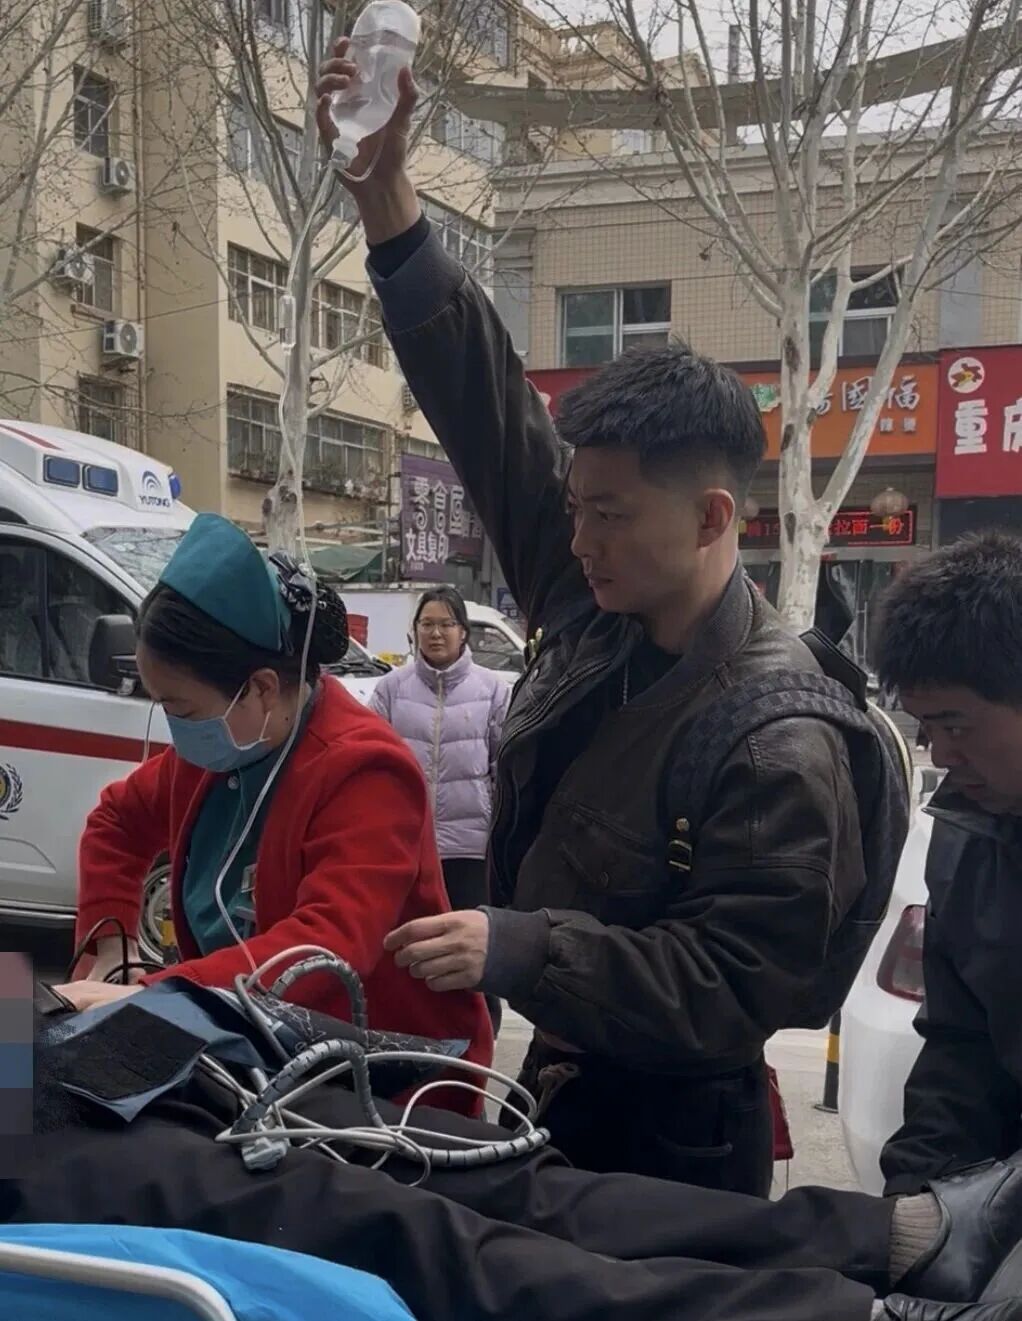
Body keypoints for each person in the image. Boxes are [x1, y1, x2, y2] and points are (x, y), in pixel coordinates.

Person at [313, 43, 909, 1194]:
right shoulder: (600, 608)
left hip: (678, 1146)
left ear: (711, 517)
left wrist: (521, 943)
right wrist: (385, 199)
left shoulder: (779, 737)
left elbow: (733, 983)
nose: (575, 536)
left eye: (609, 514)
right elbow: (486, 409)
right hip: (561, 1085)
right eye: (574, 507)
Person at [10, 992, 1022, 1321]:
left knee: (482, 1164)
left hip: (68, 1055)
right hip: (30, 1135)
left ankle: (894, 1238)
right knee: (406, 1232)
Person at [58, 513, 492, 1114]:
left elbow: (325, 947)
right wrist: (109, 950)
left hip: (379, 1083)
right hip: (254, 1058)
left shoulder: (365, 770)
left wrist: (160, 994)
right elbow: (116, 823)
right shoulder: (217, 750)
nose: (175, 730)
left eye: (180, 708)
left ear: (262, 688)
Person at [873, 532, 1022, 1192]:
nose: (941, 756)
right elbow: (962, 1054)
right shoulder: (967, 837)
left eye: (957, 726)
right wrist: (919, 1204)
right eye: (927, 729)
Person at [370, 586, 510, 915]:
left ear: (463, 632)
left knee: (463, 934)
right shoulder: (391, 689)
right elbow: (372, 764)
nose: (436, 633)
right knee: (408, 934)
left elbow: (503, 767)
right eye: (427, 624)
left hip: (470, 847)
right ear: (415, 630)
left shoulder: (492, 690)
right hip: (404, 842)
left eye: (446, 624)